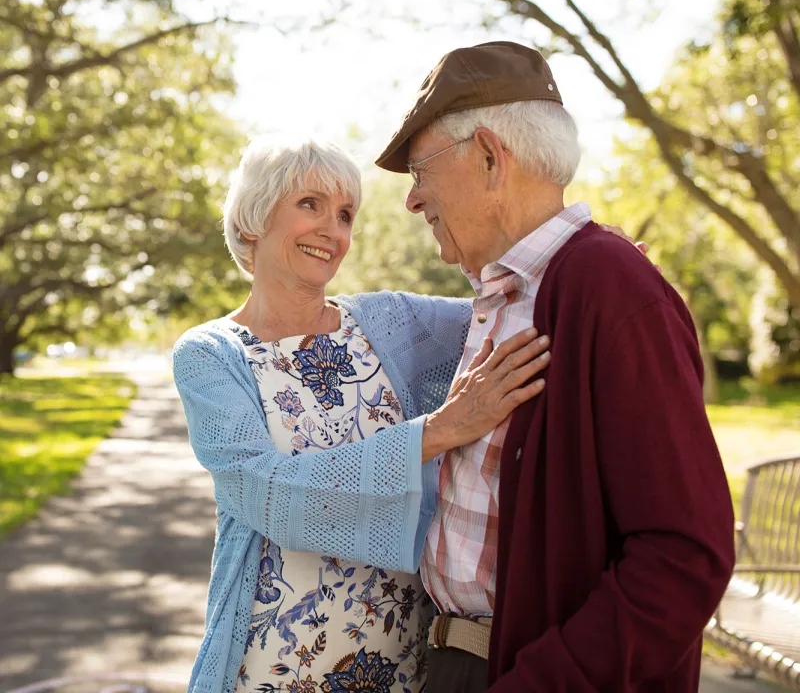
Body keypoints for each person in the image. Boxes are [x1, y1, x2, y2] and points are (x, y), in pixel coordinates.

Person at [372, 40, 736, 693]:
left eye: (420, 169)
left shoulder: (610, 286)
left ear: (489, 156)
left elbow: (683, 558)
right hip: (458, 665)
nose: (412, 199)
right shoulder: (509, 292)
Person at [172, 137, 553, 693]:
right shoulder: (210, 354)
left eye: (345, 214)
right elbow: (265, 493)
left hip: (400, 664)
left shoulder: (390, 323)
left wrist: (578, 257)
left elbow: (517, 304)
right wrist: (440, 430)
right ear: (253, 219)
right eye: (310, 205)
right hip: (272, 667)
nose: (333, 229)